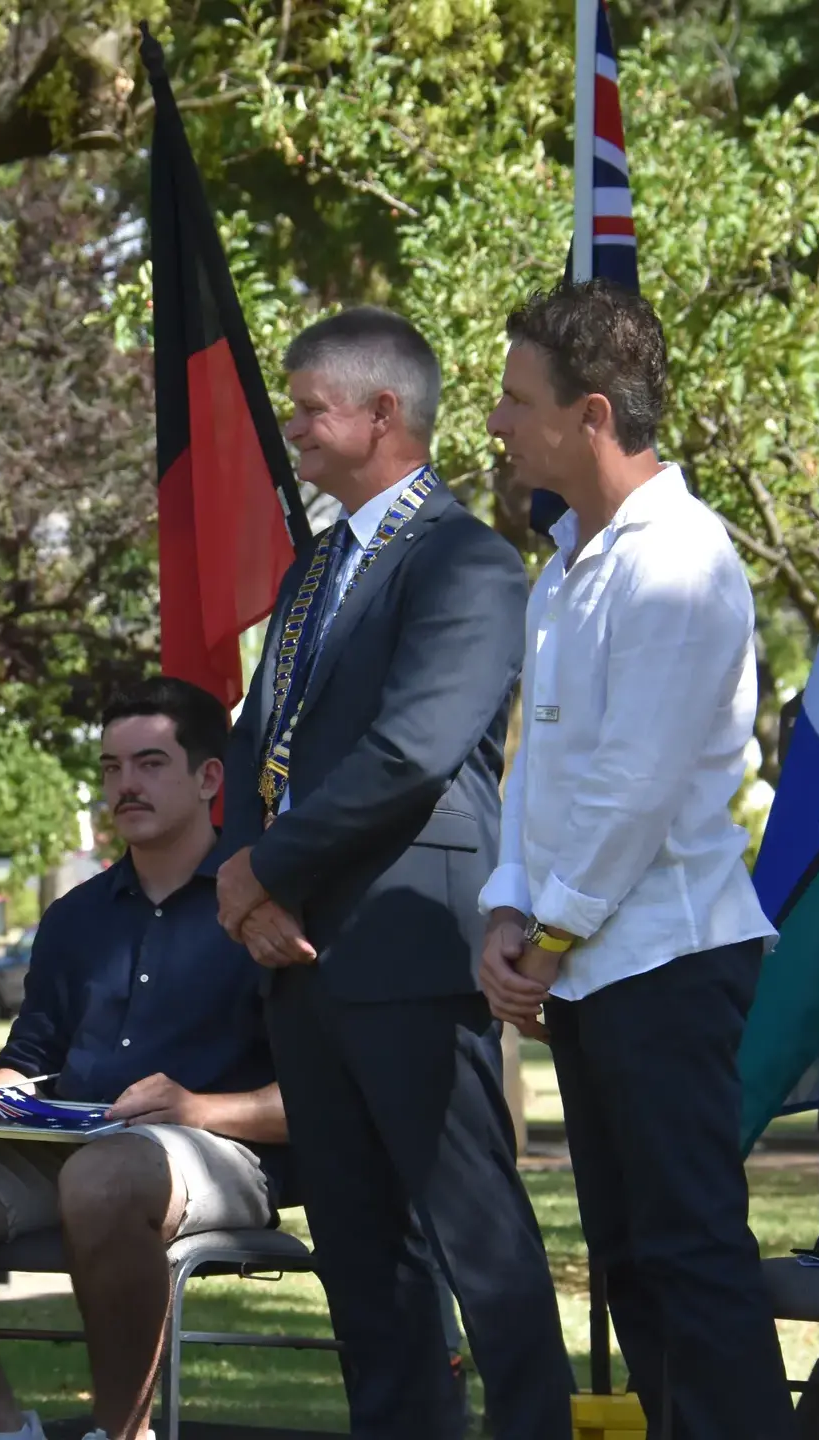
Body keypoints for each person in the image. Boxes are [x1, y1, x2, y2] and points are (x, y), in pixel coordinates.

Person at [213, 308, 573, 1439]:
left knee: (480, 1246)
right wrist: (246, 881)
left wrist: (264, 869)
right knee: (364, 1261)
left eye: (308, 408)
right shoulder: (318, 565)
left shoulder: (469, 561)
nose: (293, 429)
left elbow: (412, 751)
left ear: (381, 414)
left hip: (409, 947)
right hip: (302, 959)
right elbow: (258, 737)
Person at [476, 281, 789, 1437]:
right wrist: (507, 910)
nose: (497, 423)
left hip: (667, 959)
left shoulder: (679, 559)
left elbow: (635, 785)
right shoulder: (564, 565)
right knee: (631, 1259)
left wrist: (546, 934)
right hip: (588, 966)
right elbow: (537, 774)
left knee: (687, 1256)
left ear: (592, 415)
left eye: (517, 400)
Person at [0, 678, 291, 1440]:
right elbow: (30, 1062)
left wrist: (197, 1109)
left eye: (150, 763)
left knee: (101, 1178)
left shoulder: (264, 908)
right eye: (112, 768)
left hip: (221, 1151)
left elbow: (321, 1095)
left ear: (210, 778)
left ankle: (122, 1433)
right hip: (68, 1152)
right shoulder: (75, 917)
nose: (125, 784)